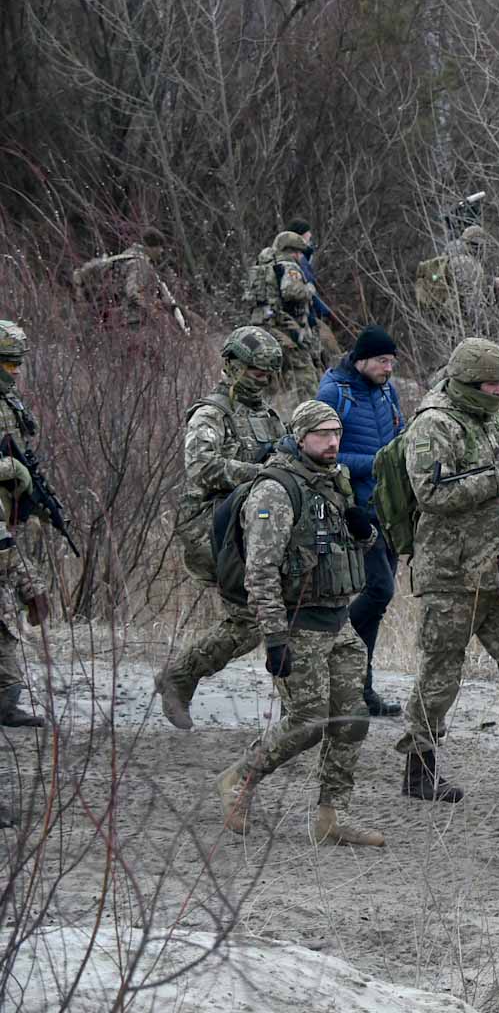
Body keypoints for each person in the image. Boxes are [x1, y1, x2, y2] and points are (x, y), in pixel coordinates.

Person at [394, 338, 499, 802]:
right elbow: (431, 493)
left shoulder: (495, 420)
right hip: (449, 575)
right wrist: (497, 478)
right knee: (439, 675)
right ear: (467, 382)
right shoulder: (433, 424)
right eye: (491, 384)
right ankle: (419, 771)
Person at [211, 400, 384, 848]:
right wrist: (274, 637)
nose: (333, 442)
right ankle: (239, 779)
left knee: (352, 717)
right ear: (300, 437)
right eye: (323, 434)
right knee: (308, 720)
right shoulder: (275, 491)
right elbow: (261, 571)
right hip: (298, 623)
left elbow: (342, 549)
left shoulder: (334, 482)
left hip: (338, 620)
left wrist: (364, 532)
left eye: (337, 433)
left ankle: (332, 815)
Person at [154, 326, 287, 729]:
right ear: (232, 365)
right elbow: (202, 467)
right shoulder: (211, 413)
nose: (262, 380)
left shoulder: (267, 417)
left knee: (290, 607)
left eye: (267, 374)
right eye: (255, 372)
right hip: (214, 527)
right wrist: (260, 474)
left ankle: (302, 707)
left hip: (256, 525)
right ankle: (181, 676)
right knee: (251, 619)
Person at [317, 325, 406, 718]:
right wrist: (374, 464)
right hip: (353, 512)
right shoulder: (334, 393)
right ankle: (324, 651)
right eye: (383, 361)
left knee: (378, 604)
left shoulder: (387, 392)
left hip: (389, 511)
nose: (389, 368)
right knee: (379, 591)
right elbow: (320, 453)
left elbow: (399, 439)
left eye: (392, 361)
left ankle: (360, 691)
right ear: (361, 360)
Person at [0, 320, 51, 729]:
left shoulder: (8, 402)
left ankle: (6, 699)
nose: (14, 372)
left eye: (18, 365)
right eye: (8, 365)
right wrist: (10, 469)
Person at [249, 230, 322, 403]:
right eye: (299, 252)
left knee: (266, 377)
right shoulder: (288, 266)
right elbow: (290, 291)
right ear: (293, 251)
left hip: (262, 328)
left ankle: (264, 411)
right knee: (305, 377)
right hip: (285, 329)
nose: (300, 257)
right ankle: (311, 412)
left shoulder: (263, 266)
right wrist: (309, 289)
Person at [69, 227, 187, 334]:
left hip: (109, 319)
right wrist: (153, 309)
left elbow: (81, 275)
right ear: (151, 247)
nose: (161, 251)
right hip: (133, 321)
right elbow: (133, 292)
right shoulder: (140, 264)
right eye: (160, 247)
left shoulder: (121, 259)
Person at [285, 219, 341, 359]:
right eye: (307, 234)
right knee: (329, 348)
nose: (310, 236)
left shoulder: (294, 257)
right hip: (302, 315)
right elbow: (309, 291)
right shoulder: (298, 259)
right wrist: (327, 313)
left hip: (299, 313)